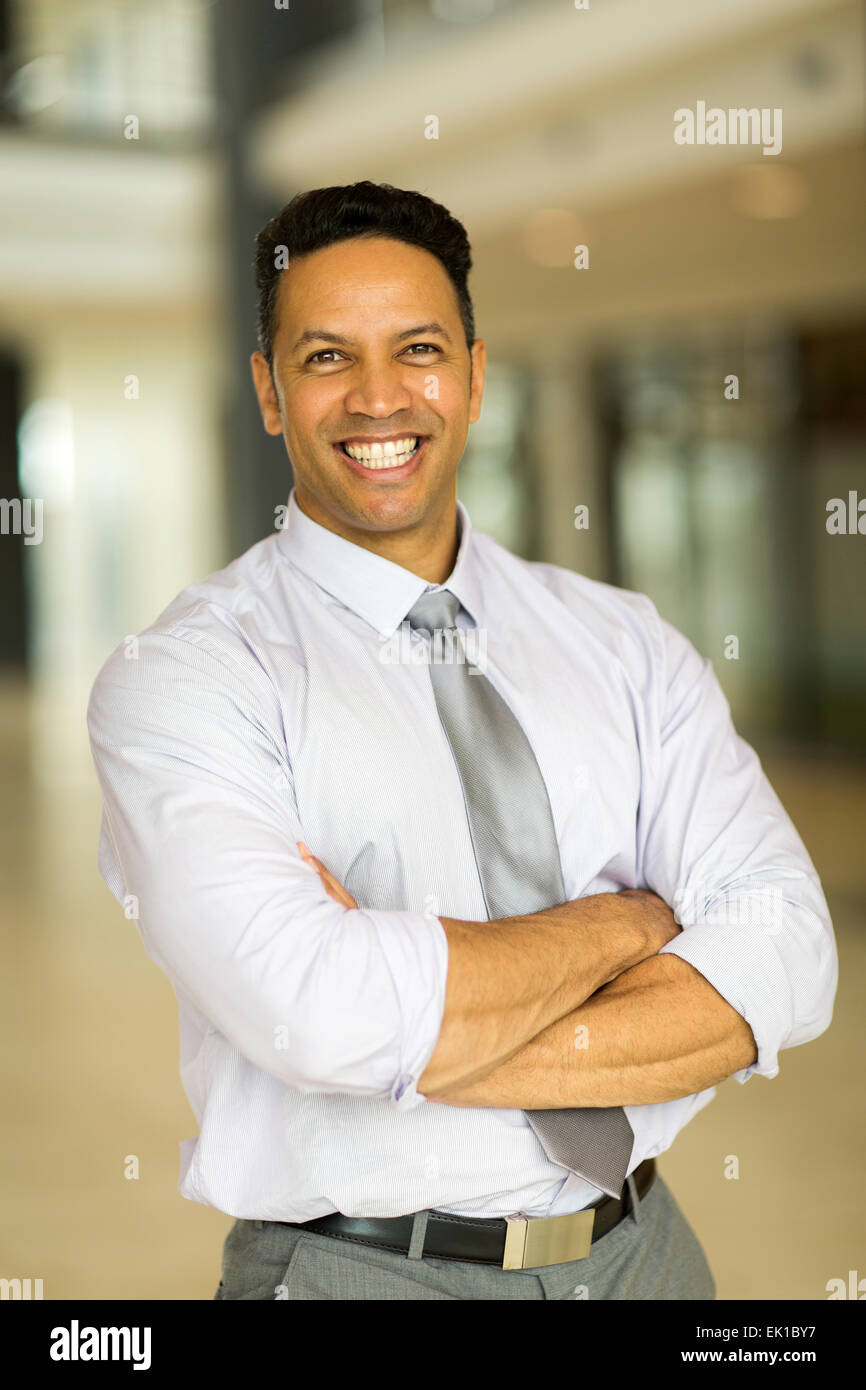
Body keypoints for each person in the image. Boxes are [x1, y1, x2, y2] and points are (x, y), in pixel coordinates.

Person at [87, 181, 837, 1301]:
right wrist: (630, 921)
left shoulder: (620, 641)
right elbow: (316, 1015)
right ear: (268, 392)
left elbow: (785, 955)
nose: (378, 398)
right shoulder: (189, 676)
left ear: (476, 376)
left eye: (419, 348)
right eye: (327, 356)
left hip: (647, 1258)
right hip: (365, 1271)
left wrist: (407, 1035)